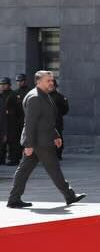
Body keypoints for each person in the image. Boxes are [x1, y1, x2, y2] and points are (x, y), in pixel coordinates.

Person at [6, 70, 84, 209]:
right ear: (38, 81)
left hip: (41, 140)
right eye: (48, 80)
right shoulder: (35, 97)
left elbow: (46, 120)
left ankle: (14, 199)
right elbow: (30, 123)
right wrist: (28, 144)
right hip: (39, 142)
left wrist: (55, 135)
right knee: (54, 169)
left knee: (24, 170)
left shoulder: (44, 95)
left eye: (52, 80)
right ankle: (69, 195)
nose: (51, 82)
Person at [1, 77, 21, 165]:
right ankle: (1, 159)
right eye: (1, 84)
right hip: (2, 122)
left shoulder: (13, 95)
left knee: (13, 142)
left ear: (9, 85)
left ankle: (14, 159)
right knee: (2, 143)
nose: (2, 86)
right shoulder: (1, 95)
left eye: (4, 84)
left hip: (12, 122)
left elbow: (19, 109)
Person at [48, 77, 68, 159]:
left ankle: (58, 154)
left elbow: (65, 109)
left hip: (56, 122)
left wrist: (57, 115)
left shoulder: (60, 97)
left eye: (52, 86)